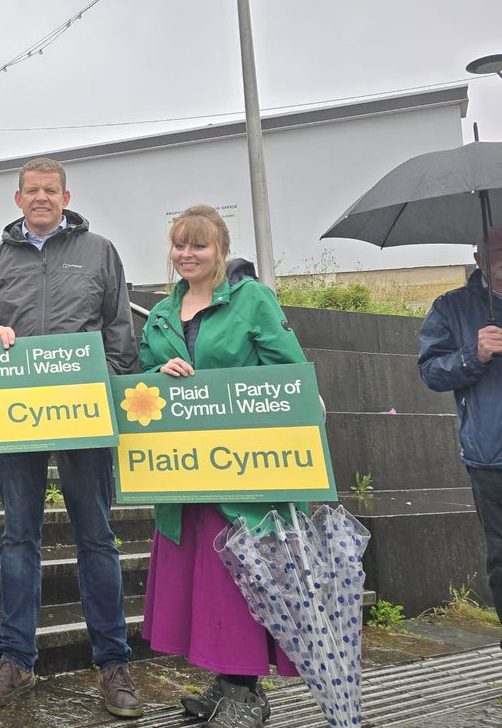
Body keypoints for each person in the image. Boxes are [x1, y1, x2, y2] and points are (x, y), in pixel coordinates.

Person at [0, 157, 141, 717]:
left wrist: (103, 385)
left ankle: (113, 664)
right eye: (31, 190)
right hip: (16, 416)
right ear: (17, 199)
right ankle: (16, 659)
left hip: (83, 417)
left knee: (97, 537)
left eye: (49, 190)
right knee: (18, 538)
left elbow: (119, 335)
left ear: (65, 196)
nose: (40, 198)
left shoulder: (99, 252)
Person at [138, 204, 305, 728]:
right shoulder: (164, 311)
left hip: (243, 474)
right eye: (180, 245)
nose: (187, 255)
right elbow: (142, 378)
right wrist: (157, 371)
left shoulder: (253, 299)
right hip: (184, 475)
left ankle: (245, 692)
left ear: (221, 250)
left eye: (199, 245)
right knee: (204, 582)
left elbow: (290, 372)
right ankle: (224, 680)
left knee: (240, 578)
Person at [420, 225, 502, 631]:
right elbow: (432, 371)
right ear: (479, 257)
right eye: (496, 245)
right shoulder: (451, 307)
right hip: (491, 454)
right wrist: (475, 354)